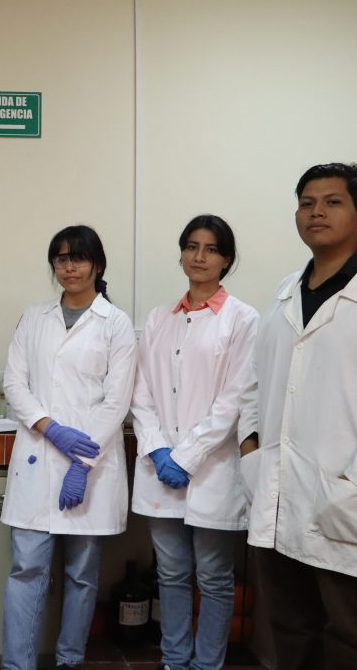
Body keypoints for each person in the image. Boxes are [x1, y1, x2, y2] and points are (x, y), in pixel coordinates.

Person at [239, 163, 357, 670]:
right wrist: (250, 447)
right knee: (290, 632)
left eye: (332, 202)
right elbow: (254, 381)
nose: (316, 212)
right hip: (281, 498)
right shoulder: (285, 291)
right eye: (307, 203)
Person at [0, 225, 136, 670]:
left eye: (79, 258)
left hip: (90, 465)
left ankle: (69, 661)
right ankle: (17, 665)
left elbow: (116, 401)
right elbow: (14, 383)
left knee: (82, 575)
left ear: (97, 264)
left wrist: (82, 462)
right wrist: (51, 428)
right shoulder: (34, 317)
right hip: (38, 457)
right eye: (61, 259)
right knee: (26, 570)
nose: (70, 267)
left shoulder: (116, 324)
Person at [130, 215, 258, 670]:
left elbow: (234, 400)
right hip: (160, 466)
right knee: (171, 574)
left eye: (211, 249)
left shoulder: (243, 319)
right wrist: (157, 449)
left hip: (213, 468)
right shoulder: (158, 318)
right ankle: (174, 660)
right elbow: (140, 390)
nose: (199, 257)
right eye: (191, 246)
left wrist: (186, 456)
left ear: (226, 259)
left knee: (215, 577)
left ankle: (207, 665)